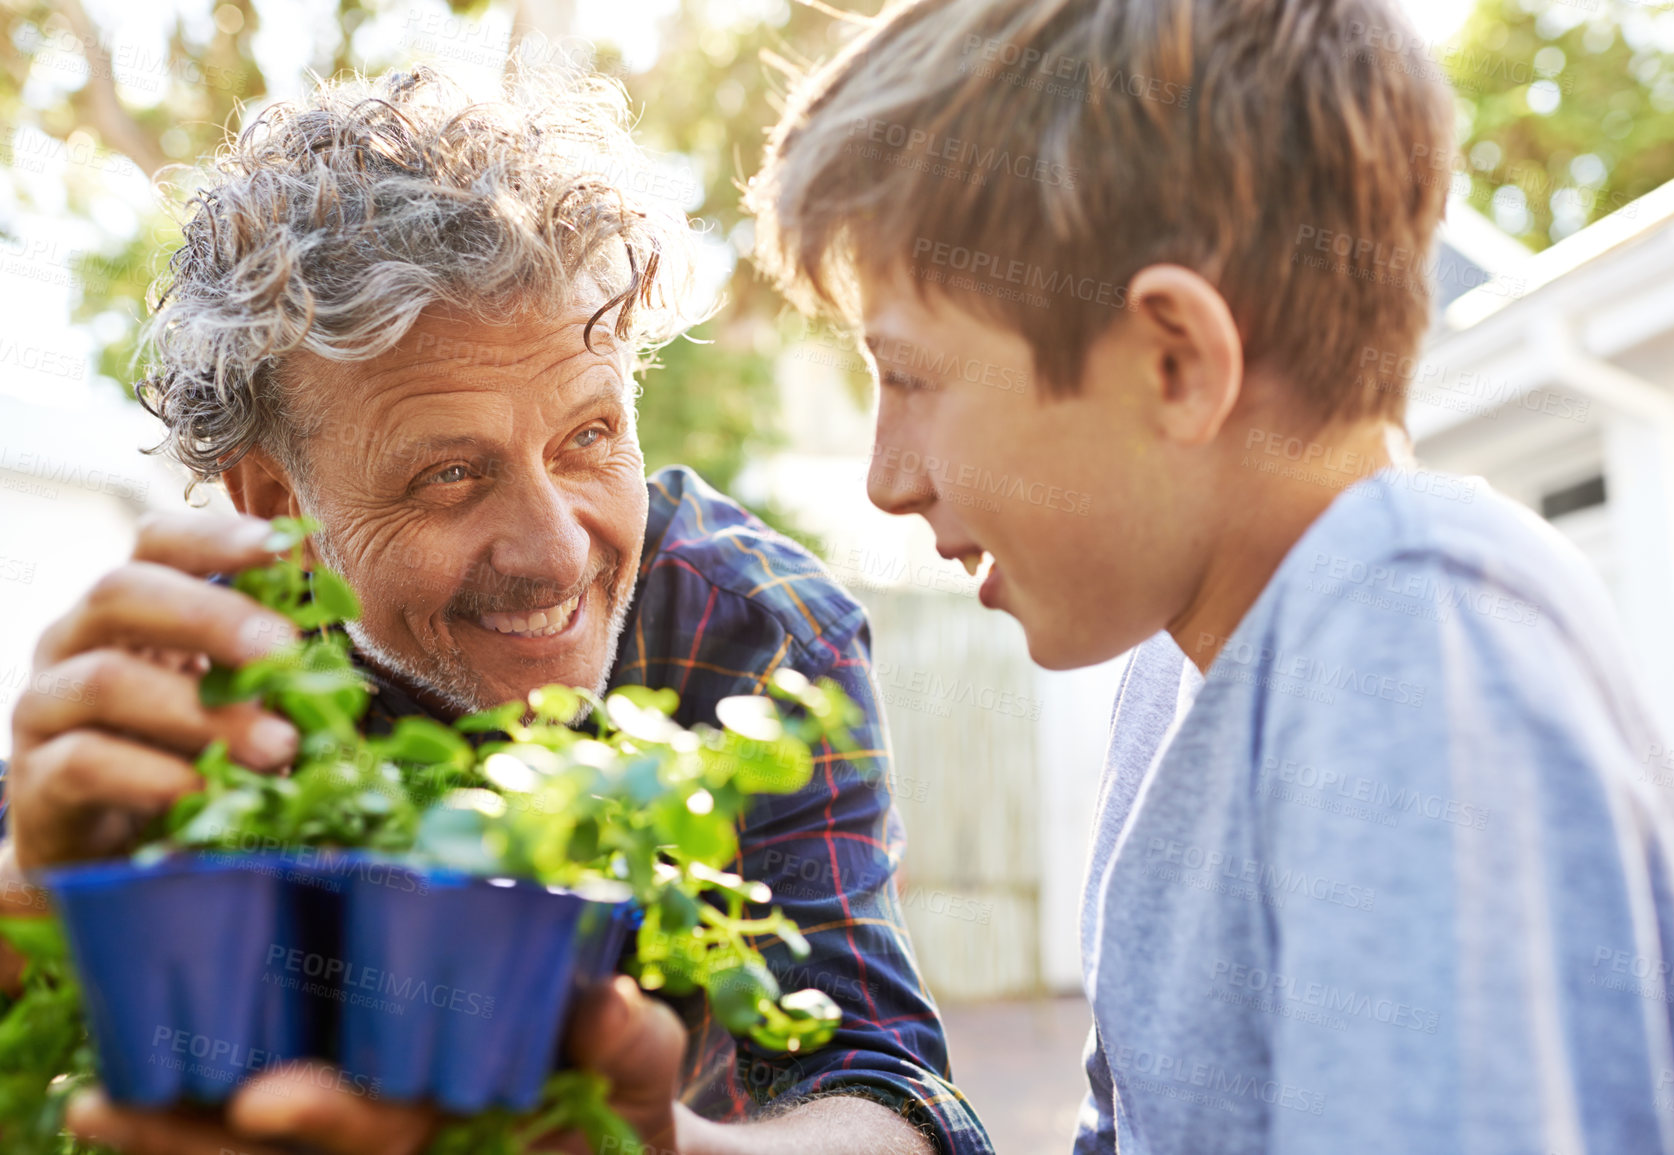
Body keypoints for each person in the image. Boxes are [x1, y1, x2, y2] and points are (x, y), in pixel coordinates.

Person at [748, 0, 1674, 1151]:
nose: (886, 479)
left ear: (1175, 362)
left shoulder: (1410, 642)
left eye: (911, 377)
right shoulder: (1178, 685)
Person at [1, 61, 990, 1155]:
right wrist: (35, 911)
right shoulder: (189, 676)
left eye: (588, 438)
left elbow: (893, 1098)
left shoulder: (757, 637)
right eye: (449, 476)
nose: (558, 553)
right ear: (276, 502)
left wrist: (671, 1149)